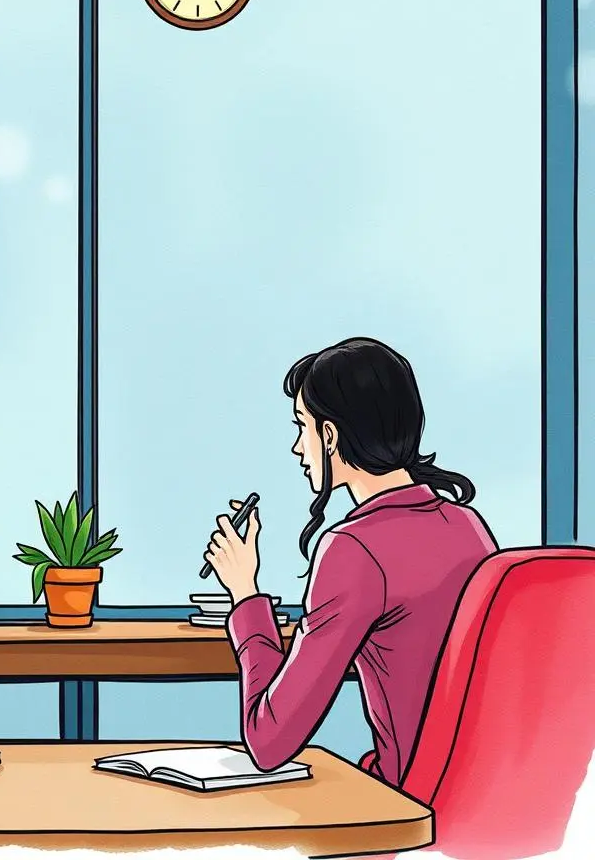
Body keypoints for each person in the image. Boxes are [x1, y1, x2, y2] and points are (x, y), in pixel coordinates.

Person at [204, 337, 497, 787]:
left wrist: (244, 593)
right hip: (479, 797)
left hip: (408, 806)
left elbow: (268, 741)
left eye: (301, 426)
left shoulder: (353, 548)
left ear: (330, 435)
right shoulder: (467, 525)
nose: (297, 448)